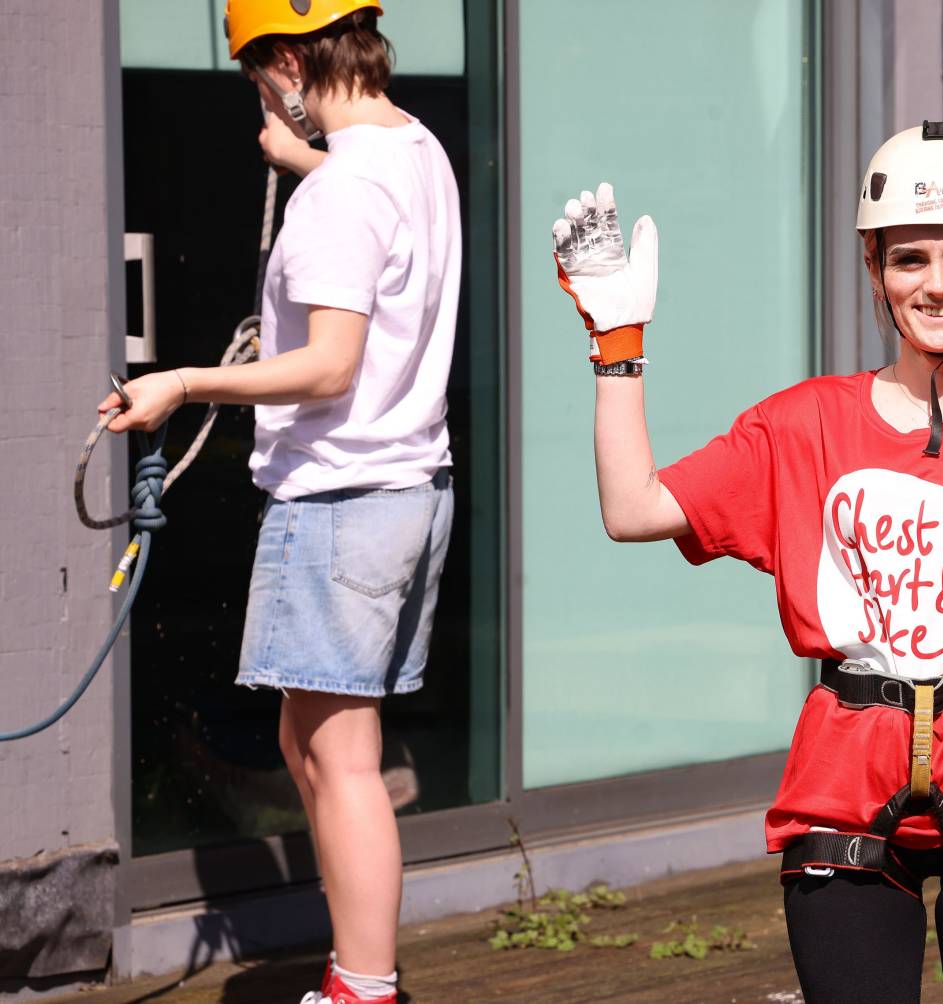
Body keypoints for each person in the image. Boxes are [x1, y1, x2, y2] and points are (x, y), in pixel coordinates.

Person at [553, 122, 943, 1002]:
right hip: (843, 771)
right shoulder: (802, 423)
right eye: (909, 259)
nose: (937, 283)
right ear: (874, 268)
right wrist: (617, 343)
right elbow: (633, 510)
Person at [99, 3, 460, 1001]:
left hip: (343, 500)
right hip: (406, 490)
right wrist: (306, 162)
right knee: (312, 744)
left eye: (256, 76)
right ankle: (356, 970)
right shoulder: (417, 151)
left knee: (341, 761)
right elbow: (371, 214)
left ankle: (363, 985)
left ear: (291, 61)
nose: (259, 95)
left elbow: (330, 364)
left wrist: (182, 384)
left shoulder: (338, 194)